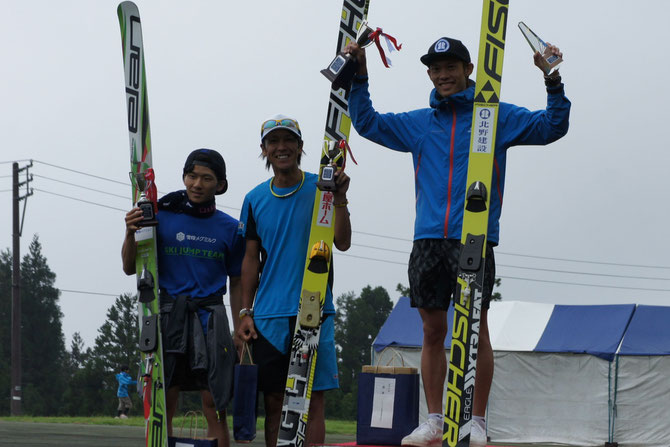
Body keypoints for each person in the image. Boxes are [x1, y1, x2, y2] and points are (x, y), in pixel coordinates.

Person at [344, 37, 570, 447]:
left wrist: (551, 78)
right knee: (432, 330)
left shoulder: (494, 117)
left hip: (474, 238)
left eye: (451, 67)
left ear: (468, 69)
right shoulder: (419, 122)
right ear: (429, 74)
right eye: (435, 69)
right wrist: (360, 75)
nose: (443, 75)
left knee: (474, 328)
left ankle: (477, 420)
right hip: (428, 238)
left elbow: (553, 127)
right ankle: (434, 419)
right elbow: (368, 124)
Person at [236, 115, 352, 446]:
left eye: (289, 141)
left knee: (312, 404)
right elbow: (250, 259)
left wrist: (340, 198)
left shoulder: (322, 187)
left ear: (301, 147)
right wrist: (246, 310)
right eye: (274, 142)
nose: (281, 147)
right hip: (269, 317)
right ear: (264, 150)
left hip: (314, 309)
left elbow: (341, 242)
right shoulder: (254, 199)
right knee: (276, 404)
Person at [122, 149, 244, 447]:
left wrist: (241, 324)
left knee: (215, 405)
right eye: (192, 176)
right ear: (184, 178)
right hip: (167, 316)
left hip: (211, 319)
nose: (197, 184)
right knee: (165, 403)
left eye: (207, 178)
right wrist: (129, 232)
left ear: (221, 185)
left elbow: (238, 280)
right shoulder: (158, 217)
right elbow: (129, 267)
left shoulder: (231, 228)